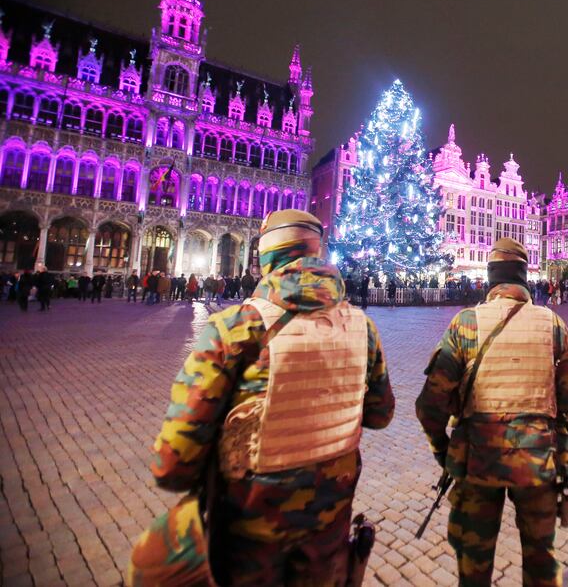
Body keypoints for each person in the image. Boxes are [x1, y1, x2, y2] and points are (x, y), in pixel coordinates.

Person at [130, 209, 395, 585]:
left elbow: (174, 461)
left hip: (248, 537)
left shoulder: (236, 326)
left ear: (266, 256)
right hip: (328, 532)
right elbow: (381, 414)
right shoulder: (362, 328)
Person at [416, 237, 568, 587]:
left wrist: (443, 450)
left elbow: (430, 404)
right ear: (523, 277)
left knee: (473, 566)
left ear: (492, 279)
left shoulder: (466, 324)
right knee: (541, 561)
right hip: (539, 463)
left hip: (477, 463)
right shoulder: (552, 324)